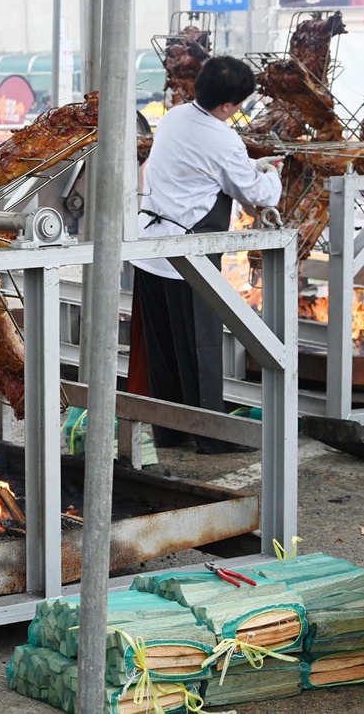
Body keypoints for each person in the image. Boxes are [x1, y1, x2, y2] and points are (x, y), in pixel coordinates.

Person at [131, 56, 282, 454]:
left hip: (150, 248)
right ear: (229, 106)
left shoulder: (176, 116)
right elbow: (257, 194)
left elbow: (200, 166)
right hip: (189, 256)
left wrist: (251, 164)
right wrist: (272, 174)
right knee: (201, 347)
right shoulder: (224, 138)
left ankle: (170, 432)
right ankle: (211, 437)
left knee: (162, 347)